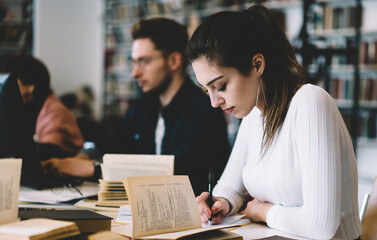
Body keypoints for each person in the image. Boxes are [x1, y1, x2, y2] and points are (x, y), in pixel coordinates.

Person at [188, 5, 362, 240]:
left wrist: (262, 210)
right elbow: (229, 187)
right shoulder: (252, 114)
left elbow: (321, 226)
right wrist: (220, 204)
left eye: (221, 86)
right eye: (206, 89)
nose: (213, 102)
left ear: (257, 65)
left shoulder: (310, 102)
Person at [43, 17, 230, 196]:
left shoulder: (203, 111)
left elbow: (177, 173)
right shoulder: (145, 105)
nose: (135, 72)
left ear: (174, 61)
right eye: (134, 62)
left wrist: (94, 169)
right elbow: (113, 146)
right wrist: (81, 158)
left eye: (144, 61)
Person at [2, 54, 84, 160]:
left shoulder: (55, 111)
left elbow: (47, 152)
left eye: (11, 83)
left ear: (31, 86)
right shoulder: (28, 108)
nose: (6, 89)